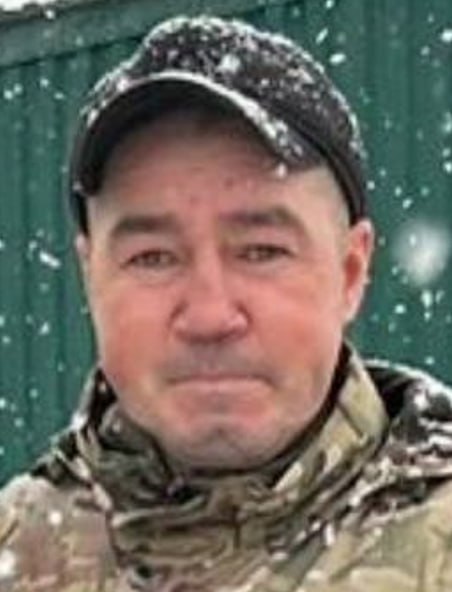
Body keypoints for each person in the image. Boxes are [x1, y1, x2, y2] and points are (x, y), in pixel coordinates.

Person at [1, 14, 452, 592]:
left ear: (350, 272)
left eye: (262, 251)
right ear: (92, 277)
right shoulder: (18, 551)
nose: (210, 316)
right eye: (153, 257)